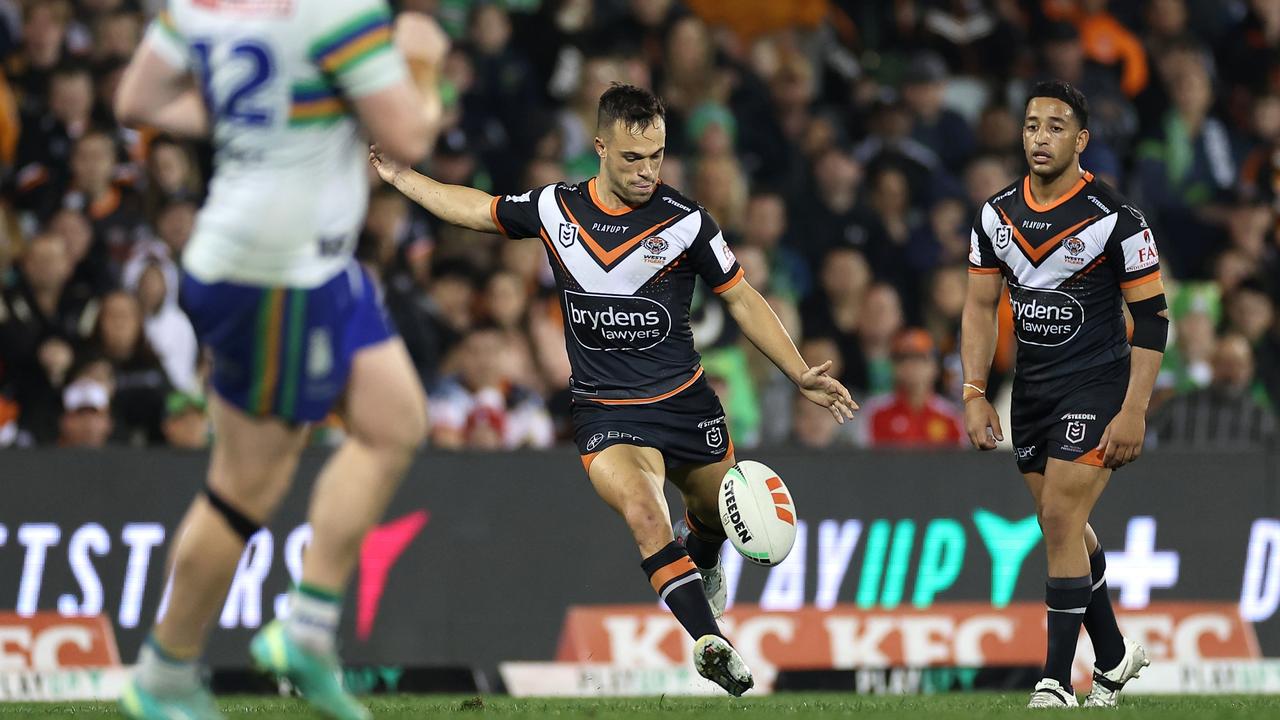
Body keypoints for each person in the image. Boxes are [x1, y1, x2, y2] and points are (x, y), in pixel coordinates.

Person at [373, 82, 855, 696]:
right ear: (600, 147)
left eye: (656, 155)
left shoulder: (686, 223)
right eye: (632, 158)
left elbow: (742, 298)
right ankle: (710, 640)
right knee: (645, 511)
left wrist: (798, 370)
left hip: (685, 404)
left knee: (711, 515)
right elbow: (475, 207)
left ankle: (704, 559)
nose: (647, 170)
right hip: (606, 412)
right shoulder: (556, 208)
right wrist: (402, 178)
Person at [112, 2, 443, 718]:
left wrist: (257, 125)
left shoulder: (199, 6)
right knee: (244, 488)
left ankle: (307, 630)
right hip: (272, 276)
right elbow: (409, 135)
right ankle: (164, 673)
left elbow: (136, 99)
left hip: (311, 262)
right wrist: (423, 62)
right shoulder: (335, 10)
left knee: (394, 422)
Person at [961, 80, 1167, 708]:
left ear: (1081, 141)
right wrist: (974, 391)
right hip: (1032, 392)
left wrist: (1133, 410)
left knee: (1058, 518)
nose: (1039, 137)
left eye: (1054, 127)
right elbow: (977, 305)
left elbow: (1154, 318)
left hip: (1098, 385)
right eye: (1030, 125)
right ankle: (1113, 656)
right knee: (1064, 527)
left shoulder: (1116, 219)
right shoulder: (995, 215)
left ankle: (1055, 677)